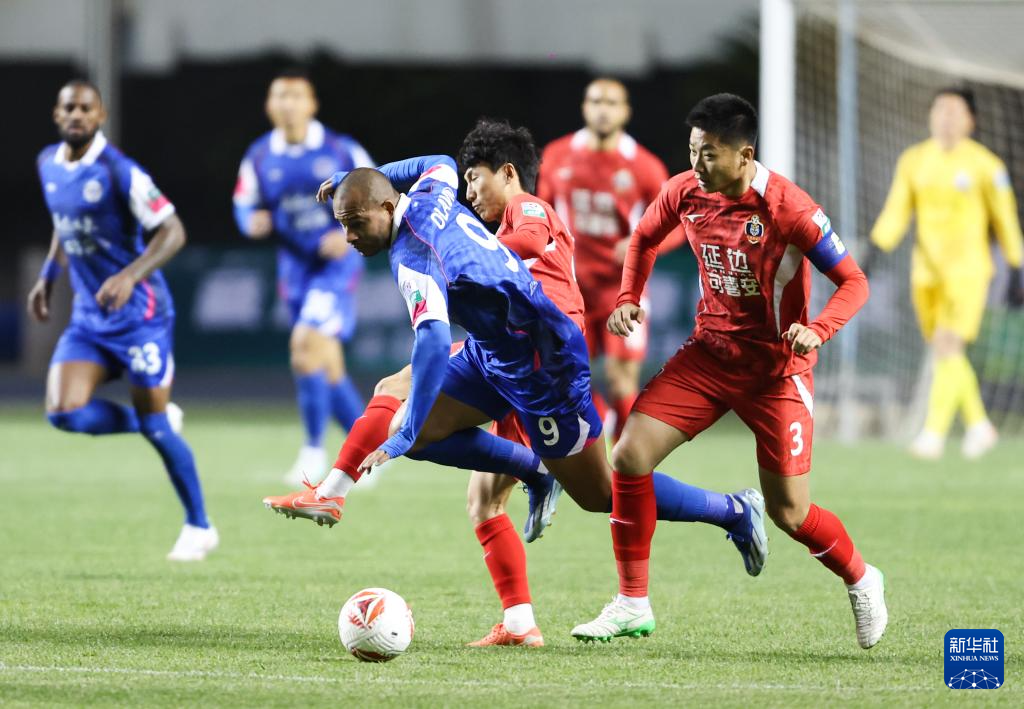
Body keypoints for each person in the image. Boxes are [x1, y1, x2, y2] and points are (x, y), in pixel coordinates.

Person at [265, 144, 767, 646]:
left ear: (386, 206)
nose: (349, 237)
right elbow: (438, 162)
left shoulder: (434, 250)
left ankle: (732, 510)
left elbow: (436, 338)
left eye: (355, 223)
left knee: (598, 494)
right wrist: (358, 177)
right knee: (410, 422)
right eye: (343, 225)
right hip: (492, 350)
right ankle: (512, 606)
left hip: (542, 368)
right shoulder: (431, 192)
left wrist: (485, 252)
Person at [571, 94, 886, 650]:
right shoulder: (686, 191)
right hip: (709, 356)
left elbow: (854, 282)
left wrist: (819, 329)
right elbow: (644, 237)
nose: (696, 164)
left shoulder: (790, 209)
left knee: (791, 513)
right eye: (692, 150)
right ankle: (632, 602)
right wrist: (628, 296)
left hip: (776, 372)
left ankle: (862, 578)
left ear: (745, 155)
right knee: (628, 456)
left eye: (709, 154)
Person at [28, 79, 215, 561]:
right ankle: (147, 420)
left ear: (100, 116)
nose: (76, 114)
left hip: (141, 317)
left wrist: (131, 275)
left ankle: (199, 526)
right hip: (90, 318)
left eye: (85, 108)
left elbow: (173, 231)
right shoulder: (48, 163)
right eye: (69, 107)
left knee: (158, 430)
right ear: (57, 114)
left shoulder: (120, 171)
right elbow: (63, 223)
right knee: (64, 413)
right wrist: (48, 276)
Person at [234, 68, 375, 485]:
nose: (288, 104)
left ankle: (313, 453)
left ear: (312, 104)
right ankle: (368, 454)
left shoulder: (340, 150)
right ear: (269, 105)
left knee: (304, 345)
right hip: (294, 270)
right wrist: (249, 221)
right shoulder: (261, 155)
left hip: (336, 267)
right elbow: (243, 202)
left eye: (296, 96)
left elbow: (379, 192)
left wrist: (349, 231)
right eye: (280, 96)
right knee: (326, 365)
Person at [868, 87, 1024, 460]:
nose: (946, 118)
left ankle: (933, 434)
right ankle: (979, 424)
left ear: (971, 120)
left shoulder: (986, 165)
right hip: (926, 273)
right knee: (945, 351)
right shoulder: (914, 160)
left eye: (954, 111)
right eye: (940, 110)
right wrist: (873, 251)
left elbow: (1005, 218)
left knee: (949, 344)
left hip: (969, 271)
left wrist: (1017, 266)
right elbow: (896, 211)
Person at [537, 78, 682, 441]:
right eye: (596, 101)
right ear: (584, 108)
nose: (603, 110)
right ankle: (600, 430)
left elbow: (678, 225)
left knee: (621, 381)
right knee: (567, 379)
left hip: (623, 291)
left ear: (625, 112)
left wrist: (641, 243)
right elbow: (541, 215)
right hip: (571, 290)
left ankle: (625, 463)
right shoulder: (556, 155)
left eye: (612, 103)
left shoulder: (644, 166)